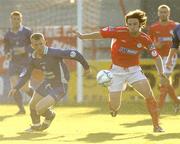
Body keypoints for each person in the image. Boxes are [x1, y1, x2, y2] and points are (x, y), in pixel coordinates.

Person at [75, 9, 168, 132]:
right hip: (116, 71)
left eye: (135, 24)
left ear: (140, 24)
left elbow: (156, 57)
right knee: (115, 106)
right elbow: (100, 34)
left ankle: (156, 126)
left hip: (134, 71)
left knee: (149, 95)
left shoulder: (145, 39)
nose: (132, 26)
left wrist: (161, 73)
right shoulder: (119, 32)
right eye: (129, 24)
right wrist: (82, 37)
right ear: (126, 24)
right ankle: (113, 108)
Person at [8, 33, 90, 132]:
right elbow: (26, 75)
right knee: (32, 105)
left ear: (45, 42)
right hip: (47, 83)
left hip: (60, 86)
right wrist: (16, 87)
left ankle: (50, 115)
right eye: (36, 45)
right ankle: (36, 126)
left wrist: (86, 68)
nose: (39, 47)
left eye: (41, 44)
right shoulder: (33, 58)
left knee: (39, 108)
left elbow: (75, 54)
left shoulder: (54, 52)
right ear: (32, 46)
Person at [148, 5, 179, 113]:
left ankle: (158, 108)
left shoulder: (176, 26)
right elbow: (149, 44)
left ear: (169, 13)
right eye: (161, 12)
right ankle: (177, 102)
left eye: (165, 12)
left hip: (171, 56)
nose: (163, 14)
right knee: (165, 81)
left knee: (163, 79)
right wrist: (156, 45)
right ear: (158, 13)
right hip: (159, 58)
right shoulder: (153, 27)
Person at [4, 11, 33, 114]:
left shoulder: (27, 32)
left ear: (21, 20)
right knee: (14, 87)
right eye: (13, 19)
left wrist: (24, 49)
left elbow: (35, 45)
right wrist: (7, 53)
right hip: (13, 63)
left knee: (25, 88)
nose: (16, 21)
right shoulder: (8, 34)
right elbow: (6, 48)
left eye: (18, 19)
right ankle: (21, 109)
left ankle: (40, 101)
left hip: (25, 63)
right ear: (10, 20)